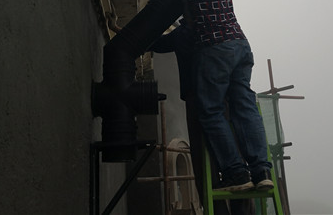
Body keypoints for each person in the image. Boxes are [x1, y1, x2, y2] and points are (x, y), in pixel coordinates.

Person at [142, 0, 273, 193]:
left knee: (211, 111)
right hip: (239, 45)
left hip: (215, 46)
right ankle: (261, 172)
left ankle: (236, 174)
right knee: (244, 108)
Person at [107, 12, 255, 215]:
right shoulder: (212, 29)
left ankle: (219, 209)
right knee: (234, 160)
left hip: (197, 101)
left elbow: (149, 41)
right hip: (222, 100)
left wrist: (117, 29)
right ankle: (242, 207)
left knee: (204, 164)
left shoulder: (183, 33)